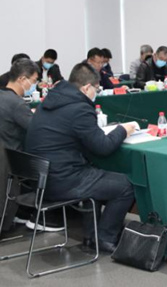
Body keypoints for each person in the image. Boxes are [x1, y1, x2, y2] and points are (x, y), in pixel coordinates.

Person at [25, 63, 137, 253]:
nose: (96, 93)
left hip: (41, 178)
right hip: (61, 180)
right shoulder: (79, 108)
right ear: (86, 88)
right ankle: (105, 238)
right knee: (126, 185)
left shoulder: (51, 100)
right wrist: (122, 130)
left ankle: (91, 236)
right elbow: (103, 147)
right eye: (96, 89)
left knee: (96, 176)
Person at [0, 59, 38, 234]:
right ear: (22, 79)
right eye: (34, 80)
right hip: (11, 159)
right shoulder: (17, 104)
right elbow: (35, 129)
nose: (34, 85)